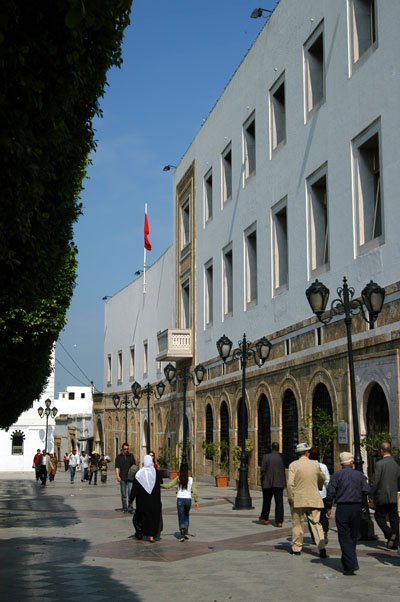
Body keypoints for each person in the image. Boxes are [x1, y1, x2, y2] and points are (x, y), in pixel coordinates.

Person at [325, 451, 370, 575]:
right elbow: (366, 490)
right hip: (356, 507)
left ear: (341, 463)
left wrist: (328, 507)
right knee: (353, 535)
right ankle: (347, 562)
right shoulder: (359, 475)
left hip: (342, 507)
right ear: (351, 462)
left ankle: (351, 563)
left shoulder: (336, 475)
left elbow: (330, 493)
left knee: (344, 535)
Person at [287, 442, 327, 558]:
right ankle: (321, 547)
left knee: (297, 524)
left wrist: (291, 497)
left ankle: (296, 548)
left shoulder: (293, 465)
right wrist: (318, 487)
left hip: (298, 499)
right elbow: (321, 478)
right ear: (307, 453)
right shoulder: (315, 464)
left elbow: (290, 483)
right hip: (313, 497)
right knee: (316, 523)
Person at [369, 441, 400, 550]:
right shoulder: (396, 463)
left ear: (381, 451)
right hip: (394, 495)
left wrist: (371, 493)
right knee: (394, 518)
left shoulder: (379, 464)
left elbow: (375, 481)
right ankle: (395, 542)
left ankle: (389, 533)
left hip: (382, 495)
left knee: (379, 516)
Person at [129, 454, 163, 542]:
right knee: (153, 518)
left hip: (142, 502)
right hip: (154, 502)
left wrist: (131, 500)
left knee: (141, 517)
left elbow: (134, 489)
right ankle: (152, 535)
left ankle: (141, 533)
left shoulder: (139, 474)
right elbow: (161, 482)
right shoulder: (156, 473)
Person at [161, 463, 198, 541]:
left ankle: (182, 532)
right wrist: (196, 500)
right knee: (186, 515)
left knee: (181, 516)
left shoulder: (178, 478)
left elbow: (169, 485)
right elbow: (194, 491)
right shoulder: (191, 479)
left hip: (180, 499)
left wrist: (161, 485)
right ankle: (186, 529)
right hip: (188, 499)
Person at [259, 442, 286, 527]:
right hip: (279, 483)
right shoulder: (282, 457)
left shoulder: (266, 457)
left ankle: (265, 518)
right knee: (279, 502)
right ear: (278, 448)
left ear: (271, 448)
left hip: (268, 483)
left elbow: (263, 470)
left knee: (267, 501)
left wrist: (262, 480)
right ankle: (279, 521)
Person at [308, 447, 330, 543]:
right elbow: (327, 481)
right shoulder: (323, 466)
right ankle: (324, 531)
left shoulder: (307, 467)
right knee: (322, 515)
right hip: (322, 495)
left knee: (312, 516)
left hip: (311, 495)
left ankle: (315, 536)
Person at [115, 443, 136, 513]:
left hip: (130, 477)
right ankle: (124, 507)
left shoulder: (131, 456)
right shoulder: (118, 457)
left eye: (127, 449)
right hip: (122, 477)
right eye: (125, 449)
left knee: (130, 493)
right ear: (122, 449)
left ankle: (130, 506)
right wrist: (117, 476)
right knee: (123, 494)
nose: (126, 450)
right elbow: (117, 467)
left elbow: (134, 466)